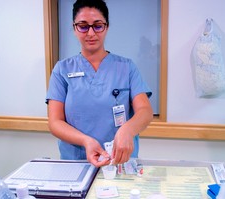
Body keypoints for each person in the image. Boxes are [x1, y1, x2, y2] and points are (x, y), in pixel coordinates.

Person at [46, 0, 153, 167]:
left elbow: (145, 111)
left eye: (97, 25)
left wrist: (128, 129)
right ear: (75, 29)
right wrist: (85, 141)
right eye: (83, 26)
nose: (90, 33)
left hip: (120, 162)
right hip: (77, 162)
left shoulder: (127, 67)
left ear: (107, 27)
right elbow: (55, 122)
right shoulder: (62, 70)